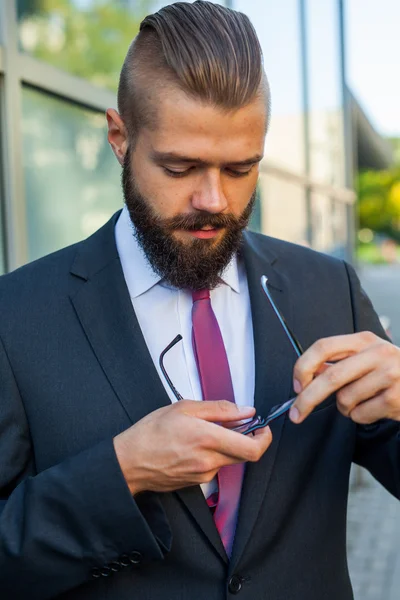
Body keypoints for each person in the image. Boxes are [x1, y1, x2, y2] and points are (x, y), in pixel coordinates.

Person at [0, 2, 399, 599]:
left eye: (241, 169)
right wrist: (122, 473)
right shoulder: (17, 316)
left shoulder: (328, 288)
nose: (214, 199)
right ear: (120, 137)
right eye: (180, 166)